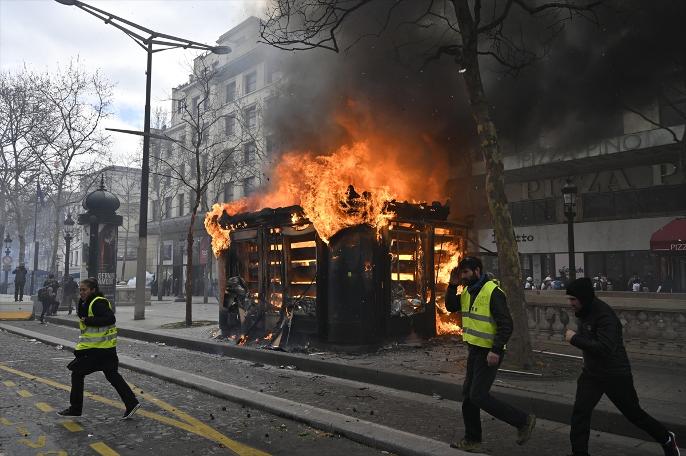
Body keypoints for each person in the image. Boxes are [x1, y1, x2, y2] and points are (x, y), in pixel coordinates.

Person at [564, 277, 680, 456]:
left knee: (634, 414)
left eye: (573, 299)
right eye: (569, 299)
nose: (570, 303)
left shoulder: (605, 315)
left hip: (615, 374)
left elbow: (605, 348)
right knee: (580, 413)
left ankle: (666, 438)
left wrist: (574, 339)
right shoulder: (584, 312)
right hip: (592, 374)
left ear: (584, 298)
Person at [445, 256, 536, 452]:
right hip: (475, 350)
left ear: (477, 271)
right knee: (469, 397)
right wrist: (452, 286)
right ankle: (472, 439)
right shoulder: (469, 291)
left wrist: (496, 350)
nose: (463, 277)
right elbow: (452, 306)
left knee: (477, 396)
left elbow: (506, 324)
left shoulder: (493, 292)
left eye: (466, 272)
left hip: (489, 353)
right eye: (461, 273)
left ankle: (523, 421)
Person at [57, 277, 140, 419]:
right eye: (80, 290)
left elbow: (110, 319)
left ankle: (76, 408)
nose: (81, 292)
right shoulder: (85, 303)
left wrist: (88, 320)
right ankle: (131, 403)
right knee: (112, 375)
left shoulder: (97, 303)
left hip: (98, 350)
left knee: (77, 373)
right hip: (105, 349)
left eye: (84, 290)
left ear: (93, 290)